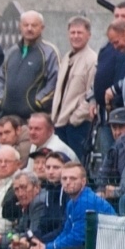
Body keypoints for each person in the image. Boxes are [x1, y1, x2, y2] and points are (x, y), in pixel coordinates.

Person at [50, 16, 98, 161]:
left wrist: (75, 118)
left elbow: (92, 93)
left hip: (77, 125)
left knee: (76, 164)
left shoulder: (92, 60)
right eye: (72, 32)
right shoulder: (66, 58)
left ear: (88, 35)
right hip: (60, 124)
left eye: (79, 33)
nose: (75, 36)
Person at [0, 10, 60, 118]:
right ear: (20, 27)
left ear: (42, 28)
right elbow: (1, 78)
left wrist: (38, 102)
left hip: (33, 118)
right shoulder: (12, 51)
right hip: (7, 116)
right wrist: (1, 99)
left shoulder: (50, 52)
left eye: (34, 25)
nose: (29, 28)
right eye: (26, 25)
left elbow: (55, 81)